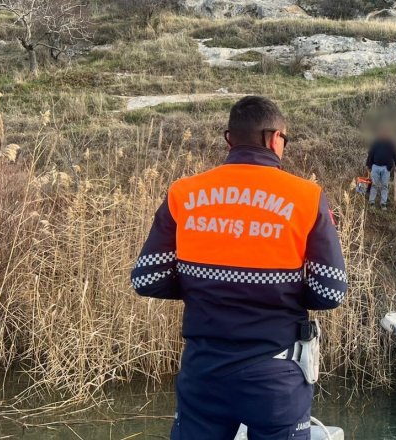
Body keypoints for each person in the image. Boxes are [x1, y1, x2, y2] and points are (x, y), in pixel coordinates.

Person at [130, 96, 348, 440]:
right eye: (284, 140)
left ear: (229, 138)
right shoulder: (305, 196)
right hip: (275, 373)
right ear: (273, 138)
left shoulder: (184, 193)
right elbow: (330, 290)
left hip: (204, 373)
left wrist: (202, 285)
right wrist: (279, 290)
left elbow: (147, 278)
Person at [365, 131, 396, 210]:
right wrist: (368, 164)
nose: (384, 135)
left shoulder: (391, 144)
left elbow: (395, 155)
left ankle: (383, 203)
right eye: (382, 134)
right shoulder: (376, 143)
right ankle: (371, 202)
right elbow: (370, 154)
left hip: (386, 168)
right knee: (374, 185)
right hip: (375, 167)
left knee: (384, 186)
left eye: (386, 134)